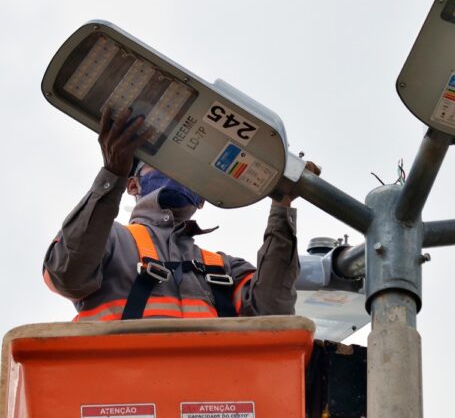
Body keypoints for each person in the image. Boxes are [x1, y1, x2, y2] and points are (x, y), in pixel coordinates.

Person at [43, 107, 319, 321]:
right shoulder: (111, 241)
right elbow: (67, 274)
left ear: (202, 199)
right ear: (133, 184)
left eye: (191, 172)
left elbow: (272, 314)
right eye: (162, 163)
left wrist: (282, 207)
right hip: (123, 390)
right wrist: (111, 175)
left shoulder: (224, 269)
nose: (177, 173)